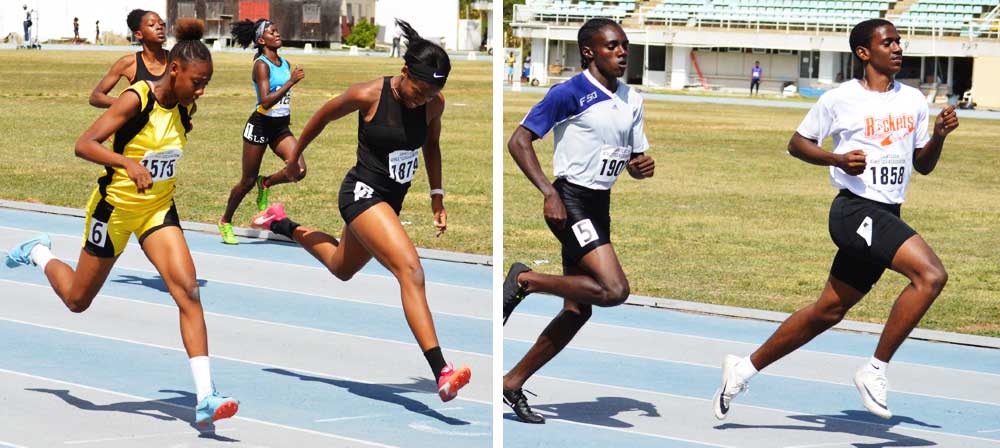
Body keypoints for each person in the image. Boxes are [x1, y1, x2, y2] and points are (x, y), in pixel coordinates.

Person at [713, 19, 959, 422]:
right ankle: (874, 370)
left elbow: (923, 164)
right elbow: (797, 144)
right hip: (854, 211)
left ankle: (742, 369)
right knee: (930, 276)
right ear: (864, 53)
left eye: (899, 42)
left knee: (827, 311)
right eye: (888, 42)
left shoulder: (914, 100)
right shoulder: (839, 99)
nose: (898, 48)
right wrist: (837, 159)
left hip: (887, 213)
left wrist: (939, 137)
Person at [4, 19, 240, 427]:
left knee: (187, 290)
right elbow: (84, 144)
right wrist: (127, 162)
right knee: (78, 300)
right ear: (175, 71)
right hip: (114, 209)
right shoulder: (136, 100)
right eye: (198, 82)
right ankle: (38, 252)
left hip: (157, 209)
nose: (202, 91)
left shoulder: (186, 106)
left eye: (207, 83)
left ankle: (205, 395)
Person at [248, 19, 471, 402]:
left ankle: (280, 222)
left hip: (390, 201)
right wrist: (294, 158)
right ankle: (442, 371)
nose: (423, 100)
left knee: (341, 267)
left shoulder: (434, 103)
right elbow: (322, 115)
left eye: (432, 93)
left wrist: (437, 195)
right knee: (411, 270)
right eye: (419, 92)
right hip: (363, 194)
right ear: (405, 73)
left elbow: (431, 146)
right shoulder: (367, 94)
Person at [501, 18, 655, 424]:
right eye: (612, 46)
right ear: (589, 52)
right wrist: (549, 193)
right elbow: (518, 141)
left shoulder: (632, 99)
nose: (622, 52)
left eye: (624, 45)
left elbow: (631, 159)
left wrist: (640, 167)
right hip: (569, 201)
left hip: (599, 204)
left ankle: (512, 382)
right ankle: (525, 280)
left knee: (577, 310)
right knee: (614, 289)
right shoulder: (569, 93)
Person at [217, 19, 306, 244]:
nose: (277, 34)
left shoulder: (284, 62)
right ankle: (225, 221)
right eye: (271, 32)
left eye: (277, 30)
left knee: (299, 170)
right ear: (261, 40)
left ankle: (265, 183)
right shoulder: (261, 64)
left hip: (279, 128)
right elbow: (265, 101)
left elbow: (282, 101)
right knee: (246, 181)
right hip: (259, 126)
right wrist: (291, 83)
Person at [90, 10, 168, 108]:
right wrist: (129, 104)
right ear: (138, 34)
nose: (159, 27)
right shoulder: (129, 63)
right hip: (141, 123)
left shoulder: (176, 60)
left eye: (162, 24)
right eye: (152, 25)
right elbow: (95, 97)